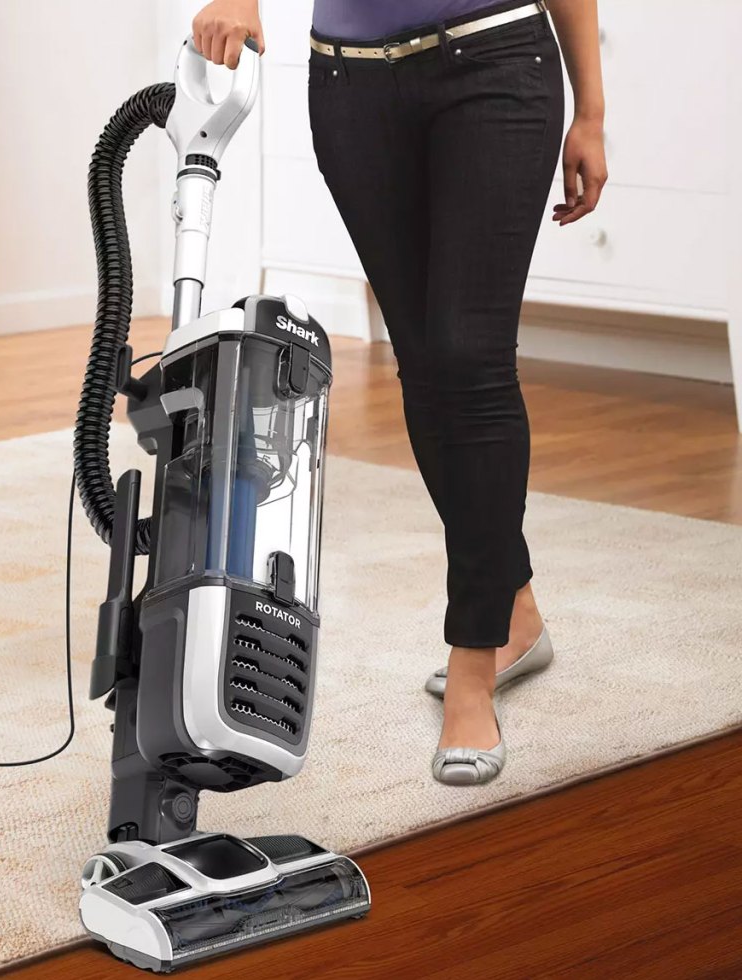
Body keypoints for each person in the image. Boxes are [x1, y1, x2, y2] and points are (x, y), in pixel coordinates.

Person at [191, 0, 607, 785]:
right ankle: (512, 607)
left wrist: (591, 110)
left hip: (494, 64)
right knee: (424, 361)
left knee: (468, 357)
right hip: (353, 89)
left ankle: (474, 661)